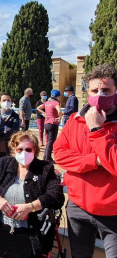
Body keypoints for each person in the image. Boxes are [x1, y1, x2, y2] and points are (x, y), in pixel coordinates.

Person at [54, 64, 117, 258]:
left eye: (106, 90)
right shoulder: (75, 120)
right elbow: (60, 154)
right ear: (87, 92)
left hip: (112, 213)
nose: (99, 95)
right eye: (94, 90)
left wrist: (97, 131)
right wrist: (96, 160)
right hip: (78, 208)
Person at [0, 131, 64, 258]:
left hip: (31, 231)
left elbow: (56, 195)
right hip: (3, 227)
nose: (23, 153)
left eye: (28, 149)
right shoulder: (5, 163)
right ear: (14, 150)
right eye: (19, 149)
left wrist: (31, 207)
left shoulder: (44, 168)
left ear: (35, 151)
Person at [0, 92, 20, 166]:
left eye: (8, 100)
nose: (6, 102)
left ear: (11, 102)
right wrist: (4, 129)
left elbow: (14, 132)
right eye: (4, 100)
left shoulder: (15, 116)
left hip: (9, 149)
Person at [37, 89, 62, 164]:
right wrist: (60, 117)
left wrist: (44, 113)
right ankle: (48, 158)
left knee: (48, 142)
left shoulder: (47, 102)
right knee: (51, 142)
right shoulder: (56, 103)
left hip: (46, 123)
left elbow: (38, 108)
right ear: (57, 96)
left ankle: (45, 156)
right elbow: (59, 111)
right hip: (53, 123)